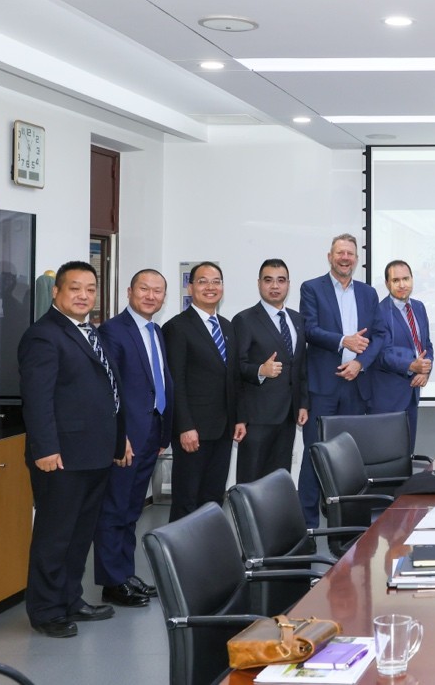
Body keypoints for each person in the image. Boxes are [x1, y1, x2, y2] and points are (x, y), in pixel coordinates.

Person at [19, 261, 130, 638]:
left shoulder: (90, 332)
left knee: (80, 535)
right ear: (57, 292)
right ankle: (46, 610)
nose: (84, 296)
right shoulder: (43, 335)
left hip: (94, 453)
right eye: (75, 288)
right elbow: (37, 400)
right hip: (61, 456)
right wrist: (45, 449)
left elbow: (109, 391)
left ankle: (69, 599)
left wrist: (119, 439)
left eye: (90, 289)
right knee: (55, 536)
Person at [93, 269, 172, 608]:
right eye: (144, 289)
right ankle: (112, 582)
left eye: (158, 291)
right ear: (129, 291)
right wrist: (118, 435)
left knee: (132, 508)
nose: (151, 296)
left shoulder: (155, 331)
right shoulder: (113, 331)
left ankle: (124, 573)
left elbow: (159, 382)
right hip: (126, 435)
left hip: (151, 431)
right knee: (115, 508)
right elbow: (109, 389)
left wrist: (163, 431)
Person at [298, 234, 389, 525]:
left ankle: (348, 528)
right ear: (330, 257)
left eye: (350, 253)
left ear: (356, 259)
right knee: (314, 456)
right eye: (340, 253)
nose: (345, 258)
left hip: (356, 386)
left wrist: (360, 363)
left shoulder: (368, 293)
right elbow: (309, 329)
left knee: (350, 461)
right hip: (323, 388)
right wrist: (343, 341)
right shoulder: (312, 288)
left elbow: (379, 336)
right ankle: (308, 527)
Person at [163, 261, 240, 520]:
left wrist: (238, 419)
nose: (210, 287)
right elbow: (175, 381)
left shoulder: (227, 327)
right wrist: (184, 426)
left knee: (213, 497)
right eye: (203, 281)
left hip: (223, 429)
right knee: (187, 499)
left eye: (216, 281)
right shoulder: (177, 327)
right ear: (190, 287)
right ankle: (179, 547)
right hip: (193, 431)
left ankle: (208, 545)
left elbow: (232, 377)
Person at [232, 259, 309, 483]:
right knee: (251, 481)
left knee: (279, 480)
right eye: (268, 280)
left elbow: (301, 365)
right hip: (257, 417)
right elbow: (236, 368)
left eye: (281, 280)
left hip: (288, 415)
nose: (275, 286)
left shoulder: (297, 319)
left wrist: (303, 403)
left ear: (288, 284)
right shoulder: (244, 320)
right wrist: (261, 370)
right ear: (259, 283)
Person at [373, 260, 433, 451]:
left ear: (412, 279)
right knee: (388, 455)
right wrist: (411, 366)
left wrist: (424, 370)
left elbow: (426, 345)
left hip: (412, 394)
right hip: (388, 397)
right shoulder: (379, 311)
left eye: (406, 279)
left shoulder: (419, 307)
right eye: (396, 280)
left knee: (407, 454)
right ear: (387, 283)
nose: (402, 284)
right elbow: (382, 354)